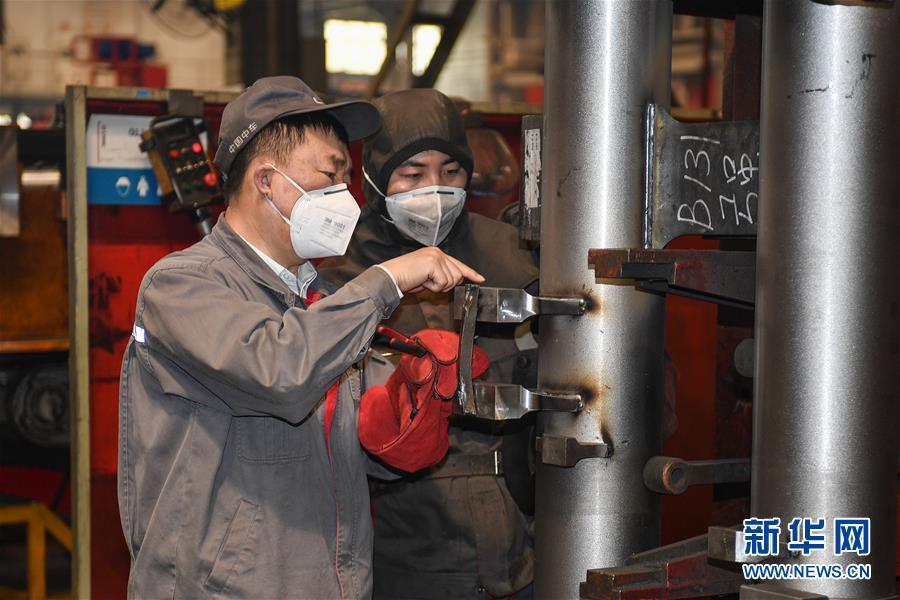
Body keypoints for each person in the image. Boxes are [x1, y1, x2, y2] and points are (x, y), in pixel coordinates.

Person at [117, 76, 484, 599]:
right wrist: (386, 280)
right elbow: (281, 373)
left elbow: (351, 449)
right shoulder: (181, 286)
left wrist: (404, 411)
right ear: (267, 181)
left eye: (347, 177)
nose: (345, 196)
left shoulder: (321, 300)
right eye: (330, 176)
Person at [319, 88, 539, 600]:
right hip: (401, 548)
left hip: (519, 543)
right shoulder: (342, 277)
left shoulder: (512, 259)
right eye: (412, 174)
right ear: (375, 179)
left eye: (451, 171)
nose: (435, 190)